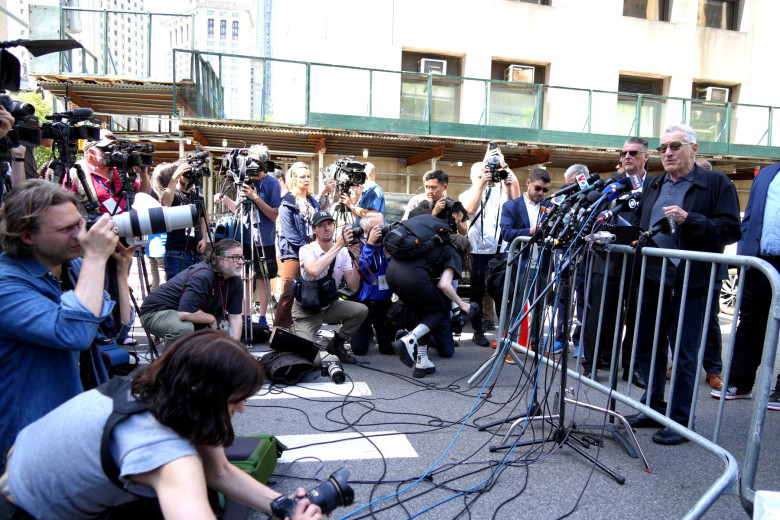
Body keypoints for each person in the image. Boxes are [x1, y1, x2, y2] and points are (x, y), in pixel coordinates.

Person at [0, 329, 323, 520]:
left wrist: (282, 506)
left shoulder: (162, 387)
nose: (240, 409)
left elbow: (220, 471)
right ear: (202, 393)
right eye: (233, 400)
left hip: (23, 465)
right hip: (21, 508)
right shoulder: (164, 453)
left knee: (205, 489)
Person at [0, 180, 134, 464]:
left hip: (76, 422)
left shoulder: (71, 266)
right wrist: (95, 259)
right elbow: (74, 333)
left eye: (79, 223)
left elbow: (112, 332)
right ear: (26, 236)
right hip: (27, 441)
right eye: (65, 230)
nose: (81, 235)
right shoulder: (6, 285)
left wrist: (118, 272)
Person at [627, 124, 741, 445]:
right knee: (650, 346)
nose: (668, 153)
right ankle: (653, 407)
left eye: (675, 146)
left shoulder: (716, 184)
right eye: (664, 147)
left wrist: (691, 219)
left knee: (686, 352)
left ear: (694, 148)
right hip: (653, 278)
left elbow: (731, 230)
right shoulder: (655, 183)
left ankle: (679, 420)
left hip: (693, 281)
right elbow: (641, 226)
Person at [710, 160, 780, 410]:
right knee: (750, 321)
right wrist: (745, 257)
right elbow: (751, 216)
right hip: (761, 261)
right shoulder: (768, 173)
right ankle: (740, 383)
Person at [581, 139, 648, 385]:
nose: (627, 156)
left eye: (633, 152)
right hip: (607, 257)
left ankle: (633, 367)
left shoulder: (653, 185)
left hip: (638, 260)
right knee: (600, 313)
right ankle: (592, 363)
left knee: (636, 316)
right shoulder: (611, 184)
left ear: (645, 157)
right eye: (623, 153)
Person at [387, 213, 472, 378]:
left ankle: (422, 361)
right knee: (439, 311)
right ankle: (409, 339)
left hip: (392, 274)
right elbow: (445, 284)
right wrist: (462, 304)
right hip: (411, 278)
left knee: (424, 315)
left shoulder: (432, 244)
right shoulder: (453, 252)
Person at [459, 146, 521, 347]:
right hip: (478, 251)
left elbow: (515, 208)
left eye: (488, 172)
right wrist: (481, 185)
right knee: (477, 292)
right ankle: (477, 330)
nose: (487, 176)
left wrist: (506, 171)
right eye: (482, 174)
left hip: (500, 250)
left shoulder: (500, 192)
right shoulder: (467, 194)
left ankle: (505, 332)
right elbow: (470, 209)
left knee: (502, 292)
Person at [215, 145, 282, 327]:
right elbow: (239, 209)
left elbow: (274, 214)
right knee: (244, 277)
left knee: (264, 278)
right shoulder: (243, 181)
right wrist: (224, 199)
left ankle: (262, 317)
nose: (257, 171)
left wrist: (256, 197)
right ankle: (245, 316)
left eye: (260, 166)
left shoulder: (273, 183)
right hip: (244, 238)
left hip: (264, 239)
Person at [139, 239, 245, 350]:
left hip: (192, 312)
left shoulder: (235, 279)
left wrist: (234, 348)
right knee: (184, 328)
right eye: (235, 257)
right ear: (220, 260)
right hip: (156, 311)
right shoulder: (202, 275)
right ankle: (170, 364)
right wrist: (211, 319)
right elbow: (185, 313)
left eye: (241, 257)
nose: (241, 262)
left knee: (226, 335)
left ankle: (205, 362)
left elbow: (235, 317)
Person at [291, 210, 368, 364]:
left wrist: (357, 260)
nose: (327, 228)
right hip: (306, 312)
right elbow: (314, 270)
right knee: (315, 363)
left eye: (330, 224)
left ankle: (336, 345)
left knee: (361, 310)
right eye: (321, 225)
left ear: (334, 227)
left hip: (328, 306)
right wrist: (339, 245)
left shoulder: (344, 253)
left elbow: (353, 286)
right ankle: (298, 333)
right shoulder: (307, 250)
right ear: (314, 230)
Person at [498, 168, 553, 351]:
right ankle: (509, 347)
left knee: (540, 309)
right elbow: (507, 233)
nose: (541, 193)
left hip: (543, 264)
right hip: (521, 264)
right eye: (538, 188)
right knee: (517, 306)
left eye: (545, 190)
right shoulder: (511, 206)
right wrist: (533, 230)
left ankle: (537, 347)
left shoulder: (550, 207)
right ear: (528, 183)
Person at [65, 128, 151, 215]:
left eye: (115, 148)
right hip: (96, 227)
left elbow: (143, 195)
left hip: (125, 225)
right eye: (107, 148)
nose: (113, 152)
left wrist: (143, 174)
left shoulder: (119, 170)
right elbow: (65, 207)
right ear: (91, 152)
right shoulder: (75, 174)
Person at [277, 162, 320, 329]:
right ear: (293, 180)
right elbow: (290, 233)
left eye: (308, 176)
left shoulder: (313, 201)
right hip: (294, 252)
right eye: (302, 177)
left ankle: (303, 329)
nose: (307, 179)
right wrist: (307, 250)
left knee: (309, 292)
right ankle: (279, 329)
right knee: (289, 291)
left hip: (310, 249)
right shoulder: (287, 201)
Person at [694, 158, 724, 390]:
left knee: (709, 320)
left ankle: (713, 369)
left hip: (711, 269)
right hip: (685, 268)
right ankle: (682, 363)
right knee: (680, 319)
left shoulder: (718, 196)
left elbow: (725, 230)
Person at [552, 164, 589, 358]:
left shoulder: (593, 197)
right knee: (562, 297)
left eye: (572, 185)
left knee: (583, 299)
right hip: (563, 252)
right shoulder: (562, 195)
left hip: (585, 254)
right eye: (566, 185)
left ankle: (581, 342)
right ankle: (560, 338)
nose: (569, 189)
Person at [350, 211, 394, 356]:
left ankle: (381, 334)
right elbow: (362, 269)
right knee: (359, 350)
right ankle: (367, 332)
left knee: (387, 350)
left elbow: (395, 273)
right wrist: (369, 245)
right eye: (377, 229)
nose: (381, 231)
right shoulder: (359, 248)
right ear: (366, 232)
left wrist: (388, 256)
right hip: (363, 305)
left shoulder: (388, 247)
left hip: (384, 304)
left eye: (383, 227)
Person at [159, 161, 209, 279]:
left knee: (195, 287)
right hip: (177, 250)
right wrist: (174, 178)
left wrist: (204, 238)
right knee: (176, 289)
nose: (188, 178)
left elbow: (203, 220)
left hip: (196, 251)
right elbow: (165, 203)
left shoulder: (198, 196)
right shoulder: (172, 193)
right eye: (186, 174)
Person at [402, 169, 467, 236]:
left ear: (445, 187)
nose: (430, 191)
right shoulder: (417, 201)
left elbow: (464, 233)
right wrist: (434, 212)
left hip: (446, 244)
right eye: (427, 187)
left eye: (434, 187)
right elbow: (406, 224)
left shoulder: (454, 205)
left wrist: (458, 223)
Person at [338, 162, 385, 226]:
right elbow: (359, 213)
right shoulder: (366, 191)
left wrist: (351, 205)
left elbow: (371, 214)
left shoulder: (375, 191)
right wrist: (350, 203)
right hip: (363, 232)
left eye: (362, 176)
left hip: (372, 232)